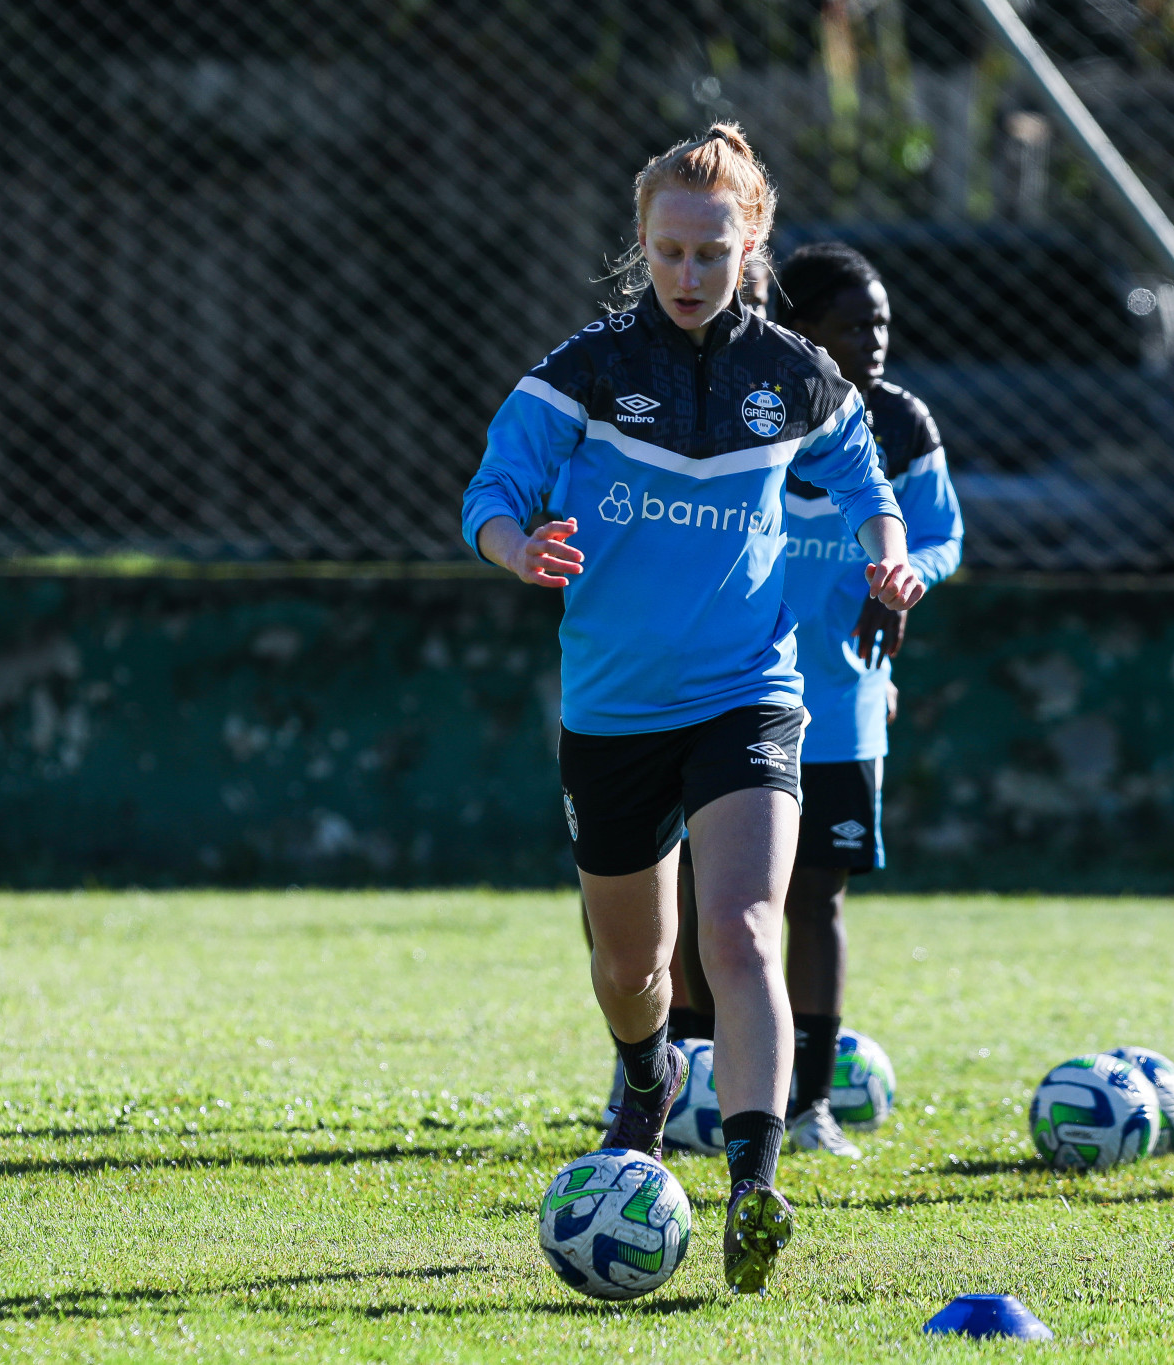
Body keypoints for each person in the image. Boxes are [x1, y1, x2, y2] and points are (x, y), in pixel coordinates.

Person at [461, 124, 926, 1294]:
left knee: (743, 931)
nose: (685, 274)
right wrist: (517, 548)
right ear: (641, 244)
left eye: (710, 252)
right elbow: (494, 486)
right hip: (614, 709)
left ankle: (755, 1183)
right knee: (637, 971)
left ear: (749, 245)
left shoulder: (794, 376)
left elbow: (868, 485)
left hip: (749, 694)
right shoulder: (582, 373)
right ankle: (644, 1072)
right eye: (667, 251)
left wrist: (888, 561)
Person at [658, 241, 965, 1160]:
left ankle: (811, 1103)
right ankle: (685, 1079)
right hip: (731, 693)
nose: (872, 339)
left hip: (842, 706)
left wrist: (900, 574)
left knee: (816, 898)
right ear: (800, 330)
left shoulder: (902, 427)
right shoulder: (751, 408)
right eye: (850, 322)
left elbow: (941, 536)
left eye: (880, 321)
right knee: (697, 890)